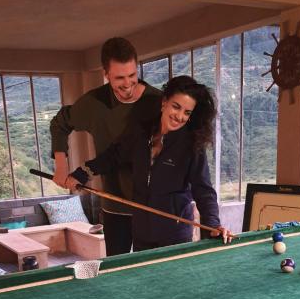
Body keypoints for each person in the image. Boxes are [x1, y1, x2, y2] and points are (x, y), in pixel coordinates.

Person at [74, 75, 233, 251]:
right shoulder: (141, 132)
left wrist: (213, 223)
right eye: (176, 106)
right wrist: (83, 172)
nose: (180, 116)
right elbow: (113, 156)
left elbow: (203, 189)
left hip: (175, 234)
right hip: (142, 232)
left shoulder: (191, 145)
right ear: (164, 102)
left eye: (187, 112)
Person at [50, 37, 162, 256]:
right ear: (106, 74)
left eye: (132, 75)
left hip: (151, 206)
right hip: (114, 205)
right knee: (116, 272)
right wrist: (61, 166)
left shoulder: (157, 101)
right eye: (119, 78)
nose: (128, 84)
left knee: (151, 271)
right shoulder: (93, 103)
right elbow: (60, 123)